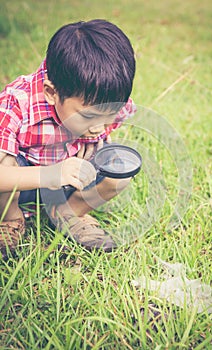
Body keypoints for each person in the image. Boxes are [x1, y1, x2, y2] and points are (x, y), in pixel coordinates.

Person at [0, 19, 136, 258]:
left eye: (110, 114)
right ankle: (10, 220)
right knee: (5, 163)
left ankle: (68, 213)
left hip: (71, 179)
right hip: (23, 184)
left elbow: (103, 124)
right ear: (52, 93)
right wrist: (51, 174)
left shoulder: (103, 102)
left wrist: (97, 140)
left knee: (119, 172)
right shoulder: (16, 103)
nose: (99, 127)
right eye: (90, 116)